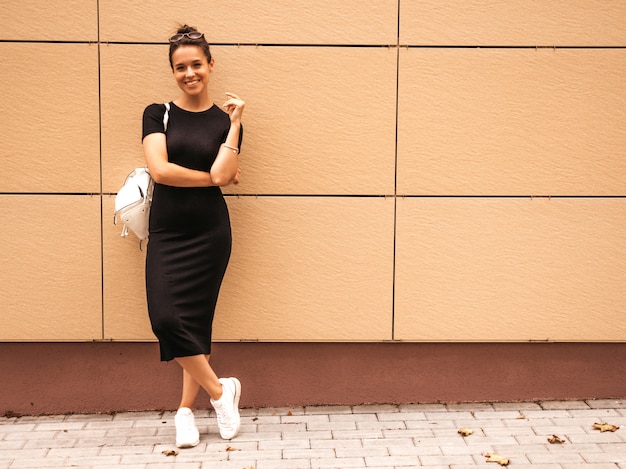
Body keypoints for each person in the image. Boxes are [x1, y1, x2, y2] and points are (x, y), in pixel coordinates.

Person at [141, 24, 245, 447]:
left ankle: (185, 412)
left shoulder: (225, 121)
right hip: (167, 231)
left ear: (210, 65)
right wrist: (214, 176)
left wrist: (237, 122)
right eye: (180, 66)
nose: (189, 73)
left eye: (196, 64)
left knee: (195, 324)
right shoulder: (157, 113)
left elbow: (225, 173)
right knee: (166, 318)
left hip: (210, 233)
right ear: (173, 71)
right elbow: (160, 170)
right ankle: (222, 392)